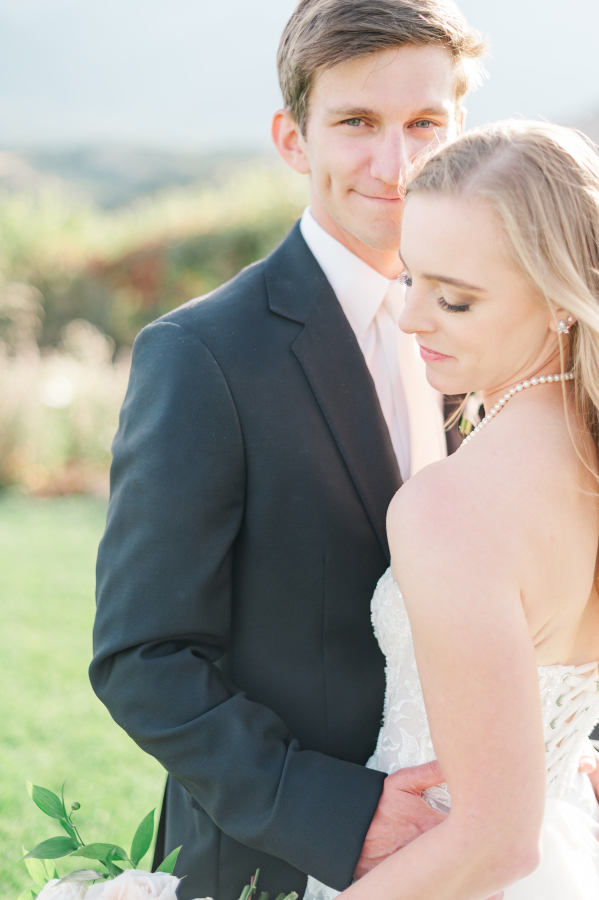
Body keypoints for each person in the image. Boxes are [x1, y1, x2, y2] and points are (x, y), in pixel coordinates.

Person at [90, 2, 488, 898]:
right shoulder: (203, 356)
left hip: (495, 841)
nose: (398, 162)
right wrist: (337, 814)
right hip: (284, 861)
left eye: (425, 121)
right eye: (356, 123)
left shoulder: (506, 335)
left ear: (460, 131)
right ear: (292, 138)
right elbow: (142, 656)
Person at [305, 120, 599, 900]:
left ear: (560, 299)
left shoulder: (452, 505)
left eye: (455, 301)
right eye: (411, 279)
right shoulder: (583, 457)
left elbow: (495, 842)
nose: (409, 319)